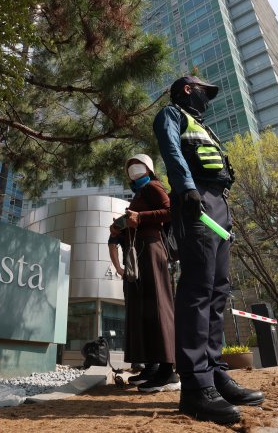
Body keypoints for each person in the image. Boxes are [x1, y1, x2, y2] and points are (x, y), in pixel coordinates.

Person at [153, 75, 263, 425]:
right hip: (195, 200)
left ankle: (215, 375)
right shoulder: (171, 114)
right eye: (204, 91)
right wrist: (185, 188)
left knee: (218, 291)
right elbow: (171, 149)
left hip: (217, 203)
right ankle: (196, 388)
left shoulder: (203, 127)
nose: (207, 98)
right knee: (198, 291)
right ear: (188, 88)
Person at [107, 154, 177, 392]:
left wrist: (140, 217)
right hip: (138, 253)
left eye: (138, 166)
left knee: (158, 306)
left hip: (152, 249)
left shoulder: (154, 186)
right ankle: (152, 366)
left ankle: (168, 371)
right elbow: (135, 224)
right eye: (129, 169)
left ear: (149, 168)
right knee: (145, 309)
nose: (133, 171)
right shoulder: (139, 193)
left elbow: (170, 212)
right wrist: (120, 226)